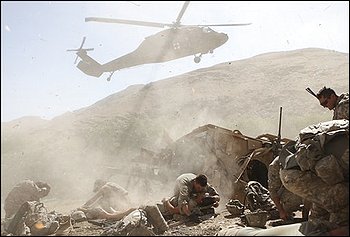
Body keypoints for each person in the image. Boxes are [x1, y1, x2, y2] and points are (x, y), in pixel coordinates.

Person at [279, 120, 349, 234]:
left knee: (328, 198)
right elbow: (327, 172)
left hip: (298, 170)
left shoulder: (343, 129)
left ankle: (316, 227)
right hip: (297, 174)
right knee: (342, 198)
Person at [268, 153, 309, 221]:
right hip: (288, 190)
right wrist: (281, 211)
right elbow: (273, 190)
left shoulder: (305, 158)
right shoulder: (276, 165)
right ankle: (287, 212)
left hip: (304, 186)